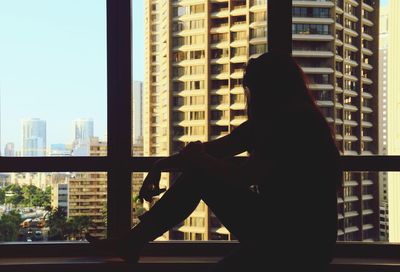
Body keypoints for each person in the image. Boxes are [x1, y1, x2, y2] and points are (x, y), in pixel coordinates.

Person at [86, 52, 342, 272]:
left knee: (200, 176)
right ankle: (132, 242)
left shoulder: (296, 123)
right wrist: (161, 165)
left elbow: (246, 176)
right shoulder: (278, 122)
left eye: (255, 89)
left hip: (296, 243)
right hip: (286, 236)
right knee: (201, 174)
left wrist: (198, 161)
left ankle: (133, 242)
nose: (253, 97)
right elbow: (217, 149)